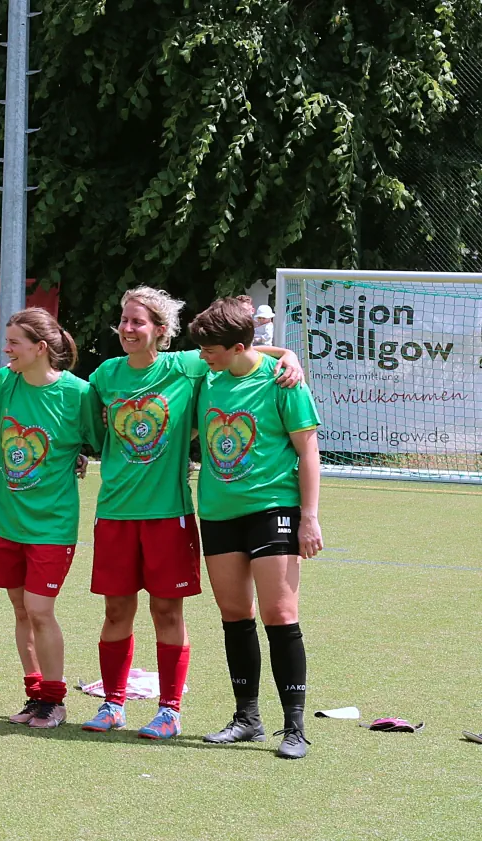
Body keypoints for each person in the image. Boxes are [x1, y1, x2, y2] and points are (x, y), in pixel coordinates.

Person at [81, 287, 303, 739]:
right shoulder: (104, 375)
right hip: (115, 513)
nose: (127, 329)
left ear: (161, 330)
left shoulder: (187, 366)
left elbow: (240, 351)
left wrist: (289, 355)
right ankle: (113, 704)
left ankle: (169, 711)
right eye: (123, 320)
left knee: (167, 611)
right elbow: (90, 433)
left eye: (138, 321)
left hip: (170, 513)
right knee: (116, 611)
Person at [189, 297, 322, 760]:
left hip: (273, 509)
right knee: (234, 614)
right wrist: (285, 349)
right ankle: (247, 718)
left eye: (210, 349)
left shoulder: (283, 381)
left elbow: (308, 452)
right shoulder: (207, 378)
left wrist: (309, 517)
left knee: (280, 614)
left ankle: (295, 727)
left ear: (238, 346)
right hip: (218, 513)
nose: (203, 356)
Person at [0, 308, 95, 729]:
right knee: (21, 609)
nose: (6, 349)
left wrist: (79, 456)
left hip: (52, 524)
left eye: (14, 343)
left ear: (41, 348)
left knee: (39, 609)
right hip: (5, 521)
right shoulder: (3, 383)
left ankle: (54, 700)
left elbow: (101, 440)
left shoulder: (78, 393)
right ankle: (35, 695)